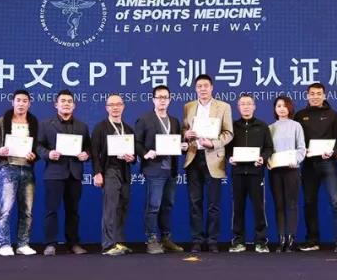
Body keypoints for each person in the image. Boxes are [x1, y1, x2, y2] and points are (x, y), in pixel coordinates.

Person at [182, 74, 234, 253]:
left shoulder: (223, 107)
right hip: (193, 157)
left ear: (212, 88)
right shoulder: (188, 106)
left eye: (206, 86)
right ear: (195, 89)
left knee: (213, 204)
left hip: (214, 158)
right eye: (199, 86)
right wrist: (186, 135)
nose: (202, 89)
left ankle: (212, 240)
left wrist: (213, 143)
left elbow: (228, 133)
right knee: (194, 202)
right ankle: (197, 240)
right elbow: (185, 129)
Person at [295, 82, 337, 253]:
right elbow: (296, 140)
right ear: (307, 96)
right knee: (309, 202)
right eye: (312, 93)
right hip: (308, 164)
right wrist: (301, 152)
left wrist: (334, 152)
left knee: (336, 201)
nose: (315, 96)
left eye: (319, 93)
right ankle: (312, 240)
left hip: (328, 163)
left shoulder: (333, 115)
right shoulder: (300, 115)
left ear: (324, 96)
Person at [36, 89, 90, 256]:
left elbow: (88, 148)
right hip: (54, 172)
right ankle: (50, 244)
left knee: (73, 211)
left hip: (75, 173)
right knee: (51, 210)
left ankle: (73, 243)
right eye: (63, 101)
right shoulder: (45, 124)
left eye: (69, 101)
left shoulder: (82, 126)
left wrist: (86, 154)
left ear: (74, 105)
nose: (66, 104)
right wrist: (48, 154)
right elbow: (38, 146)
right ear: (56, 105)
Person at [135, 85, 184, 254]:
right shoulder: (144, 119)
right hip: (154, 169)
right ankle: (151, 240)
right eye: (159, 97)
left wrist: (183, 146)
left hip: (171, 170)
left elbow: (177, 142)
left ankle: (166, 239)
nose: (162, 100)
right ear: (153, 99)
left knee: (167, 205)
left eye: (165, 97)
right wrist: (145, 153)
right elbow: (136, 143)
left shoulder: (174, 121)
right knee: (153, 206)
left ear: (170, 100)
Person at [0, 89, 40, 256]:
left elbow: (38, 147)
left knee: (27, 210)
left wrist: (34, 155)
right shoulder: (0, 122)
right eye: (18, 100)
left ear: (29, 104)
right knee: (4, 209)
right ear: (12, 102)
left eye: (25, 101)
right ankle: (4, 244)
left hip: (27, 168)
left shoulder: (33, 123)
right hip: (8, 168)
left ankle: (23, 244)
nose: (21, 103)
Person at [225, 94, 273, 253]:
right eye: (242, 104)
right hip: (238, 172)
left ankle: (261, 242)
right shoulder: (232, 126)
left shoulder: (262, 126)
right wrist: (229, 157)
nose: (246, 106)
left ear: (254, 106)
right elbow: (226, 148)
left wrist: (263, 158)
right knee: (238, 207)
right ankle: (238, 241)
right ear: (238, 107)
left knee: (259, 207)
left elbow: (269, 148)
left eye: (249, 104)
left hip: (256, 172)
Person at [92, 94, 137, 256]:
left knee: (122, 207)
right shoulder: (100, 127)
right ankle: (108, 245)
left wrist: (132, 158)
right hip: (109, 170)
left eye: (118, 104)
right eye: (111, 105)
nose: (115, 107)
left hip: (125, 171)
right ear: (107, 108)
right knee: (110, 208)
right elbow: (94, 153)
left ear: (123, 106)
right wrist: (97, 173)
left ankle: (118, 242)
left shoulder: (128, 129)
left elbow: (134, 155)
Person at [269, 95, 305, 252]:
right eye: (278, 106)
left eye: (284, 106)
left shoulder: (296, 126)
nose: (282, 109)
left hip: (292, 169)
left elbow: (301, 148)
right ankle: (281, 239)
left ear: (290, 108)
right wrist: (268, 161)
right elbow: (268, 149)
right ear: (275, 109)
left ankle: (291, 239)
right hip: (275, 170)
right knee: (279, 204)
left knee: (291, 204)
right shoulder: (270, 128)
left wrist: (295, 160)